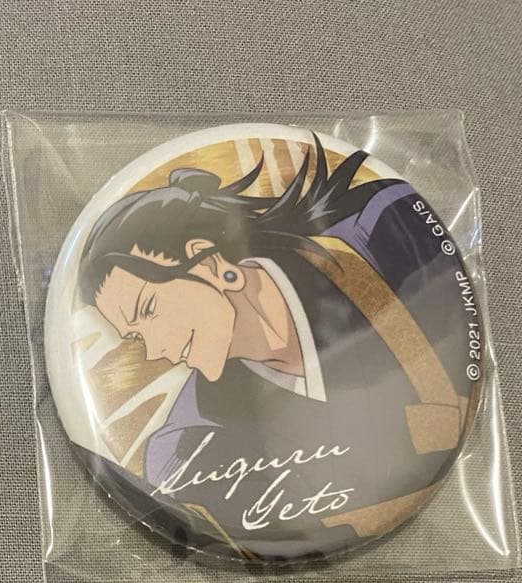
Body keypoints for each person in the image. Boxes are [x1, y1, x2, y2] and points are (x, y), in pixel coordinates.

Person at [77, 136, 475, 559]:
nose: (154, 349)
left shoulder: (383, 234)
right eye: (134, 336)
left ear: (207, 262)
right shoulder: (188, 447)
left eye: (148, 309)